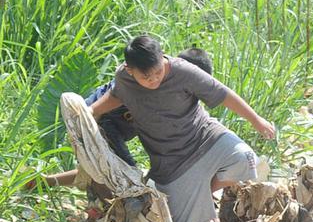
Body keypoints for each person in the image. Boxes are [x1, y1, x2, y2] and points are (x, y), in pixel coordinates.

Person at [89, 36, 277, 222]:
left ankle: (203, 191)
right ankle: (195, 199)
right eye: (146, 77)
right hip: (169, 162)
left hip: (205, 137)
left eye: (158, 72)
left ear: (162, 58)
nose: (154, 80)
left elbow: (223, 93)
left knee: (246, 159)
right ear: (129, 70)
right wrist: (91, 110)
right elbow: (116, 96)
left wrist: (257, 120)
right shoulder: (124, 79)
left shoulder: (184, 71)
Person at [33, 47, 217, 189]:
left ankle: (46, 182)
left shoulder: (174, 96)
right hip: (98, 122)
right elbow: (103, 109)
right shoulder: (146, 81)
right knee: (121, 175)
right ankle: (104, 211)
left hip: (112, 127)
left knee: (106, 171)